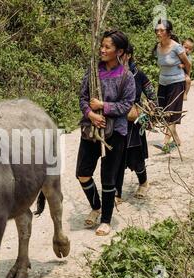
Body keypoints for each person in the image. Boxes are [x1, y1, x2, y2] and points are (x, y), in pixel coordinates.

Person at [77, 30, 136, 236]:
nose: (102, 50)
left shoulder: (126, 77)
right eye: (102, 46)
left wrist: (104, 106)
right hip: (91, 129)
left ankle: (106, 220)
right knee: (82, 173)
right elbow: (83, 97)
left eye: (107, 47)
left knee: (108, 178)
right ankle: (96, 205)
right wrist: (91, 114)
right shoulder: (93, 71)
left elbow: (127, 105)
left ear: (118, 51)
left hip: (115, 132)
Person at [115, 44, 158, 203]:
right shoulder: (111, 74)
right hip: (116, 119)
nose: (119, 56)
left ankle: (143, 182)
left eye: (122, 53)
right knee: (116, 157)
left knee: (135, 154)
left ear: (129, 55)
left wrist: (152, 111)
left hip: (134, 120)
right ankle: (117, 193)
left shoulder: (138, 74)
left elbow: (151, 94)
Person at [153, 19, 191, 153]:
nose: (158, 32)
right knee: (163, 113)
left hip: (176, 83)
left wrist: (187, 76)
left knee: (170, 112)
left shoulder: (176, 47)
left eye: (161, 30)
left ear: (168, 32)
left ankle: (165, 142)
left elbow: (188, 63)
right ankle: (176, 140)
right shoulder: (158, 47)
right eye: (157, 30)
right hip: (163, 83)